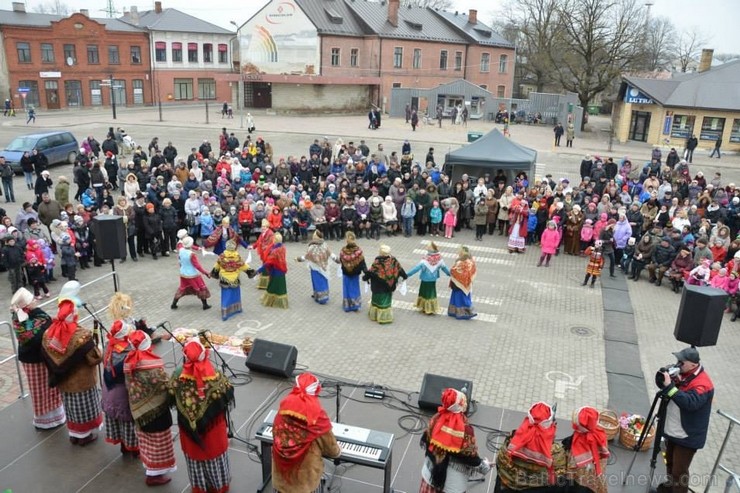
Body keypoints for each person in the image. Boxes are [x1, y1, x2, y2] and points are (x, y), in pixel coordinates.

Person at [41, 281, 103, 446]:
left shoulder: (49, 333)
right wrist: (99, 348)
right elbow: (94, 357)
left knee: (70, 407)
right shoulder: (81, 335)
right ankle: (84, 436)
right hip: (82, 381)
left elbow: (47, 353)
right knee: (83, 409)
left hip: (64, 382)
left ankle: (74, 434)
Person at [169, 340, 234, 493]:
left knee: (195, 460)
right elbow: (227, 393)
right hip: (213, 429)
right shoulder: (215, 373)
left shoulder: (178, 374)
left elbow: (171, 395)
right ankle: (218, 486)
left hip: (188, 429)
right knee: (215, 458)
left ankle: (200, 488)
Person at [271, 372, 341, 492]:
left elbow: (275, 433)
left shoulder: (284, 409)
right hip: (304, 482)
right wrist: (338, 452)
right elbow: (332, 450)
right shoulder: (316, 418)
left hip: (281, 479)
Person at [123, 330, 176, 486]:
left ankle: (150, 467)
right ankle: (154, 475)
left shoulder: (130, 359)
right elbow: (165, 384)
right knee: (157, 442)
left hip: (138, 408)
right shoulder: (150, 366)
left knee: (146, 439)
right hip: (154, 411)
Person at [658, 347, 714, 493]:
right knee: (669, 463)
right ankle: (669, 488)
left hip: (687, 436)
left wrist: (670, 387)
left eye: (681, 362)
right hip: (674, 430)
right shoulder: (685, 373)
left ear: (693, 365)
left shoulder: (703, 384)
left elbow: (690, 403)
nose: (677, 364)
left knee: (679, 472)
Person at [9, 287, 66, 429]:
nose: (35, 300)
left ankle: (54, 416)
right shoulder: (30, 318)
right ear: (28, 305)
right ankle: (46, 420)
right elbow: (41, 332)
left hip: (36, 358)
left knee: (47, 387)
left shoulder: (23, 317)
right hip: (35, 359)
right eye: (32, 300)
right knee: (42, 389)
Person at [419, 388, 492, 493]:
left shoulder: (437, 418)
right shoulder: (465, 430)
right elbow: (470, 457)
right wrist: (484, 465)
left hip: (430, 475)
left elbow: (426, 440)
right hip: (452, 485)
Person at [101, 319, 139, 456]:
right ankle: (134, 449)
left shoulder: (108, 345)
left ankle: (124, 447)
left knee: (117, 420)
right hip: (123, 391)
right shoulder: (129, 351)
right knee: (128, 421)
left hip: (109, 388)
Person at [363, 244, 407, 324]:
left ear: (380, 253)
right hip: (389, 287)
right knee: (385, 302)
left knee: (377, 301)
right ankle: (385, 317)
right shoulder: (393, 260)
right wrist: (404, 276)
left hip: (377, 287)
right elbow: (400, 269)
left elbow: (371, 272)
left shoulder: (377, 262)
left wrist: (365, 278)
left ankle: (375, 315)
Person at [210, 239, 252, 321]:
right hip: (235, 278)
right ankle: (237, 309)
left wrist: (213, 273)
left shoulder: (222, 256)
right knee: (235, 295)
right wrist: (250, 271)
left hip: (224, 279)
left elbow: (216, 266)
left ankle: (225, 313)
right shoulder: (237, 256)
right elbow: (243, 266)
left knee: (226, 296)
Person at [407, 242, 450, 315]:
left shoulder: (425, 260)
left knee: (424, 292)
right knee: (431, 293)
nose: (426, 247)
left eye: (428, 246)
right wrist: (450, 274)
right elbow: (444, 268)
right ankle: (430, 308)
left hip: (425, 279)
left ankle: (425, 308)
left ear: (430, 249)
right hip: (433, 279)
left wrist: (407, 275)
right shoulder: (439, 258)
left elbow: (416, 268)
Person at [171, 236, 212, 310]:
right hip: (192, 274)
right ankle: (205, 305)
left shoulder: (181, 250)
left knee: (182, 288)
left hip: (183, 273)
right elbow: (197, 266)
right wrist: (205, 273)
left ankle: (174, 304)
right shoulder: (191, 254)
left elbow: (180, 260)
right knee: (201, 287)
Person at [296, 230, 335, 305]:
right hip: (324, 268)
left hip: (315, 268)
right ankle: (323, 296)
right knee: (323, 281)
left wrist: (298, 259)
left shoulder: (312, 247)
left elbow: (306, 256)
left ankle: (320, 297)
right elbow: (330, 253)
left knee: (317, 282)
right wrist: (337, 260)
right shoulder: (325, 244)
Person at [253, 232, 289, 308]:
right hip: (281, 270)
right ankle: (277, 301)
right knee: (279, 288)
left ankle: (272, 302)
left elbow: (268, 263)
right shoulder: (282, 247)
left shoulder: (275, 251)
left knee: (272, 287)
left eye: (273, 238)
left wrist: (258, 271)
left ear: (275, 240)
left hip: (276, 271)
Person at [337, 231, 366, 312]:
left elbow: (341, 261)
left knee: (347, 288)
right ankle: (355, 305)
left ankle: (347, 306)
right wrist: (366, 272)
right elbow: (362, 262)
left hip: (346, 273)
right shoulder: (358, 251)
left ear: (346, 240)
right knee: (355, 288)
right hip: (355, 274)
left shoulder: (343, 251)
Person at [448, 246, 477, 320]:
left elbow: (453, 270)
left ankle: (457, 312)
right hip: (467, 283)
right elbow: (473, 270)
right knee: (465, 298)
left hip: (458, 284)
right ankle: (467, 312)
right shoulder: (471, 261)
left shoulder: (459, 262)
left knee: (458, 298)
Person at [253, 219, 274, 290]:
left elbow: (271, 244)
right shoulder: (262, 233)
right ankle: (264, 283)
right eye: (262, 226)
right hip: (263, 253)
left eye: (264, 226)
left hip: (268, 254)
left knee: (267, 267)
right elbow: (258, 241)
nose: (263, 228)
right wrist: (253, 246)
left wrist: (264, 247)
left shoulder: (271, 234)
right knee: (265, 266)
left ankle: (269, 282)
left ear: (267, 227)